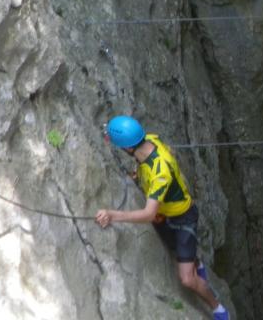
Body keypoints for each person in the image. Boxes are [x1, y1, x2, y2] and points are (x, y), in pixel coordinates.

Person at [95, 115, 228, 320]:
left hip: (183, 218)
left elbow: (148, 213)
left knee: (187, 279)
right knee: (174, 248)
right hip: (166, 214)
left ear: (128, 148)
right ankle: (195, 260)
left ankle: (218, 307)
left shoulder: (160, 173)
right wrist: (139, 175)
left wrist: (113, 215)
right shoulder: (149, 139)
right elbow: (152, 158)